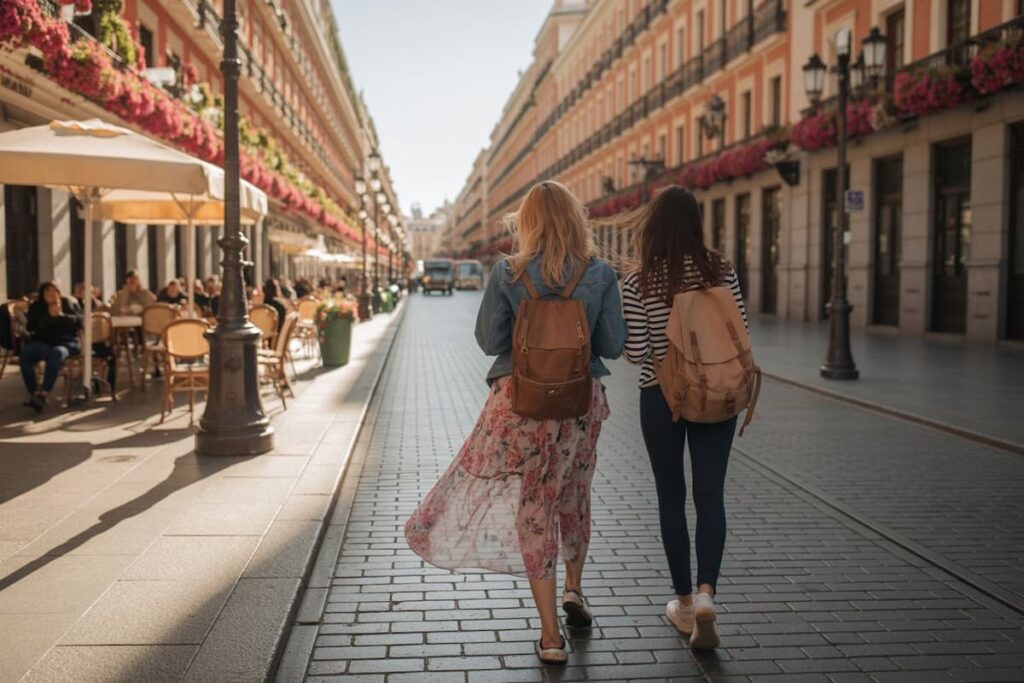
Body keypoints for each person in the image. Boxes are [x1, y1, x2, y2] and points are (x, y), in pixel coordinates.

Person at [405, 181, 626, 665]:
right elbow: (612, 346)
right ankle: (574, 589)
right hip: (580, 404)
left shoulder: (508, 272)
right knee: (574, 497)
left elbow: (489, 340)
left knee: (534, 506)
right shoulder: (600, 273)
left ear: (526, 221)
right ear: (576, 218)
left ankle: (550, 636)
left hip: (520, 403)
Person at [620, 186, 748, 651]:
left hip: (662, 398)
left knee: (671, 497)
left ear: (652, 227)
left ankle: (684, 604)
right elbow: (742, 333)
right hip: (717, 394)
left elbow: (635, 353)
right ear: (697, 223)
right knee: (710, 494)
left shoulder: (638, 283)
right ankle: (708, 592)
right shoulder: (722, 272)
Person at [20, 282, 83, 413]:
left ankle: (43, 394)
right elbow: (30, 327)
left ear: (58, 293)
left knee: (56, 354)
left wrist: (60, 316)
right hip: (43, 343)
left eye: (53, 291)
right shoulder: (37, 307)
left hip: (66, 343)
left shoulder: (67, 303)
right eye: (46, 292)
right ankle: (34, 393)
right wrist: (47, 319)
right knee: (25, 355)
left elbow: (79, 321)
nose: (50, 294)